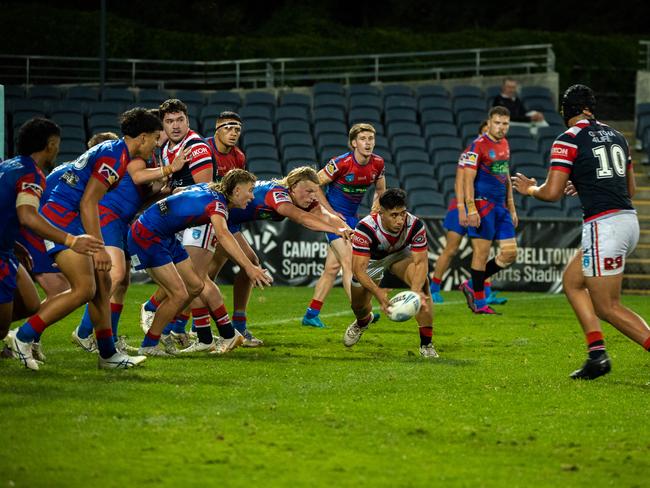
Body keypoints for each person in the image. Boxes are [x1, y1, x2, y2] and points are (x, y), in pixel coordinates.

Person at [512, 84, 650, 380]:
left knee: (608, 307)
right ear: (591, 108)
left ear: (566, 111)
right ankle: (597, 355)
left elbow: (551, 193)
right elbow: (631, 188)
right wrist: (585, 182)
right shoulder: (617, 135)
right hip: (626, 220)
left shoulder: (568, 139)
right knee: (572, 281)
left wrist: (530, 188)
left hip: (605, 226)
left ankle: (608, 354)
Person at [7, 108, 162, 370]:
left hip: (69, 217)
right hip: (62, 218)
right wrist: (99, 248)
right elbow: (89, 202)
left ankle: (108, 354)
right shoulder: (115, 157)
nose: (157, 144)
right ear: (143, 137)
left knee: (102, 284)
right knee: (84, 289)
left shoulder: (116, 152)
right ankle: (22, 337)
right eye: (157, 138)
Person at [177, 166, 353, 351]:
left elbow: (325, 215)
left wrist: (346, 229)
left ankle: (194, 328)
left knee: (206, 276)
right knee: (200, 278)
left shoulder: (298, 198)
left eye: (315, 191)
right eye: (309, 191)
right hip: (214, 219)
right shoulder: (277, 195)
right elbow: (301, 218)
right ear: (293, 186)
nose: (313, 196)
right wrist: (336, 230)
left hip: (229, 222)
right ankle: (186, 326)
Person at [127, 169, 272, 356]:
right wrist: (249, 267)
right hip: (147, 235)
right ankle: (150, 343)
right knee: (178, 294)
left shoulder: (210, 189)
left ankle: (163, 326)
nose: (252, 196)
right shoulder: (218, 205)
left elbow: (178, 192)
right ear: (236, 191)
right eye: (250, 190)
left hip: (164, 235)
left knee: (195, 286)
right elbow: (223, 235)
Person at [71, 126, 188, 355]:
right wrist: (170, 168)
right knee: (114, 276)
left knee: (122, 283)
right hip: (109, 217)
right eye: (158, 134)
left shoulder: (147, 158)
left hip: (121, 220)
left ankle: (110, 338)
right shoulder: (136, 158)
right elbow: (137, 176)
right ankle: (84, 332)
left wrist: (163, 193)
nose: (159, 140)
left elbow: (138, 198)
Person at [2, 118, 105, 369]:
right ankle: (17, 339)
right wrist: (71, 240)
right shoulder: (32, 174)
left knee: (31, 304)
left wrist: (13, 244)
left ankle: (19, 338)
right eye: (56, 144)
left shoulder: (8, 165)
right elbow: (27, 216)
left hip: (7, 250)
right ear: (50, 144)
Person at [139, 98, 217, 345]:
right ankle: (184, 331)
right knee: (194, 281)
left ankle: (161, 316)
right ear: (163, 124)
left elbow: (203, 190)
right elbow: (171, 186)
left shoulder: (196, 147)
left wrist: (171, 191)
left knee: (194, 280)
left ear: (188, 121)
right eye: (169, 121)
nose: (175, 125)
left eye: (179, 120)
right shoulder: (166, 149)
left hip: (200, 219)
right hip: (180, 220)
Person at [302, 123, 386, 328]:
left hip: (352, 218)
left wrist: (376, 208)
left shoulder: (378, 163)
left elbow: (381, 190)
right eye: (363, 139)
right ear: (354, 143)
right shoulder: (341, 163)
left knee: (332, 268)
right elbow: (314, 184)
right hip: (331, 218)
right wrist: (330, 212)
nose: (368, 143)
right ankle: (362, 313)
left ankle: (311, 314)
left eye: (371, 139)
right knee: (350, 262)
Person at [343, 188, 438, 357]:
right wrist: (378, 293)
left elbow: (421, 261)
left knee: (423, 286)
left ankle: (427, 345)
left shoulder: (415, 224)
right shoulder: (365, 228)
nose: (400, 220)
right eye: (394, 215)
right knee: (358, 306)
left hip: (399, 256)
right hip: (372, 262)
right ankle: (363, 321)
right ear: (381, 212)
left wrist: (415, 292)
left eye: (402, 213)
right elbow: (358, 269)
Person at [429, 121, 508, 306]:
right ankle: (433, 289)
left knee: (482, 251)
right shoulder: (470, 153)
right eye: (487, 130)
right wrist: (462, 208)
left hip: (483, 208)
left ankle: (485, 293)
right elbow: (459, 182)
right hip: (461, 208)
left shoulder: (496, 156)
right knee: (451, 249)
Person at [460, 106, 518, 314]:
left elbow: (505, 175)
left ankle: (471, 284)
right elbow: (467, 179)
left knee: (510, 253)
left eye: (505, 123)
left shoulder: (505, 143)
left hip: (501, 207)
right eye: (498, 123)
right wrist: (471, 208)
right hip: (483, 205)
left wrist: (511, 206)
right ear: (489, 122)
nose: (501, 127)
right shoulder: (477, 146)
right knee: (481, 254)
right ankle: (480, 303)